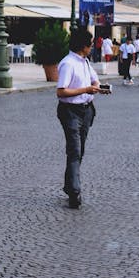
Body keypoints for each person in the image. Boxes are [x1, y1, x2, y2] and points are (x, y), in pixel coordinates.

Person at [56, 27, 110, 209]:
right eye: (91, 44)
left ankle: (69, 185)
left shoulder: (85, 62)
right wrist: (86, 89)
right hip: (70, 110)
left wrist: (97, 87)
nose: (93, 47)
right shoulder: (68, 63)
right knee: (75, 151)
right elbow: (61, 92)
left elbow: (94, 80)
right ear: (83, 46)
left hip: (86, 110)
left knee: (79, 151)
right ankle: (74, 192)